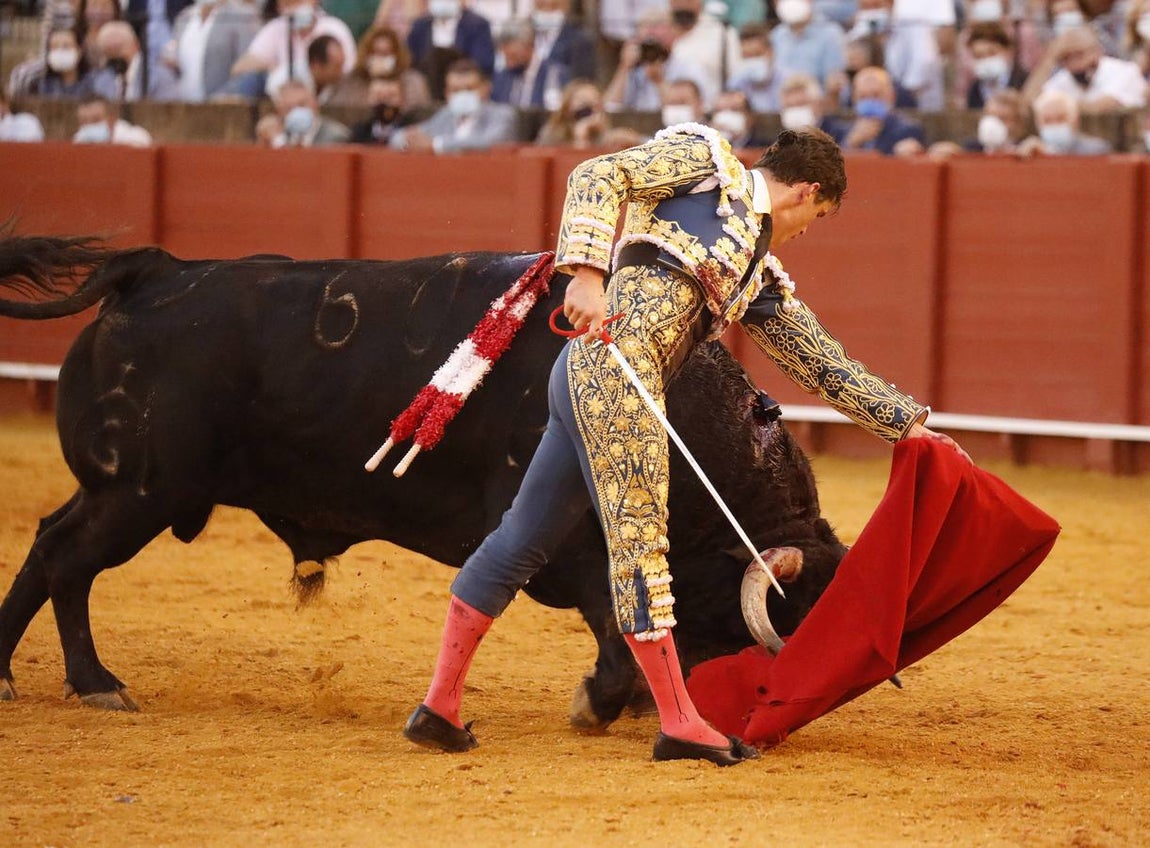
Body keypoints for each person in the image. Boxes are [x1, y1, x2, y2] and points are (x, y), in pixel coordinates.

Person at [402, 124, 966, 765]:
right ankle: (679, 723)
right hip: (619, 375)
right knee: (641, 546)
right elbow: (597, 174)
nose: (807, 231)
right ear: (807, 192)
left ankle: (439, 707)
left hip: (594, 375)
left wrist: (907, 424)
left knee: (522, 538)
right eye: (817, 217)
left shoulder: (755, 272)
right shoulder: (706, 163)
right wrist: (586, 274)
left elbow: (819, 362)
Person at [228, 0, 357, 99]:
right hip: (281, 100)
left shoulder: (335, 28)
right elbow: (239, 68)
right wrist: (278, 71)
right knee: (252, 80)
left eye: (298, 1)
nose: (294, 6)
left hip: (329, 99)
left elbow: (349, 74)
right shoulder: (276, 27)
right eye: (287, 3)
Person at [389, 57, 515, 152]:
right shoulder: (446, 115)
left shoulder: (503, 114)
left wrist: (435, 145)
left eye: (469, 89)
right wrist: (408, 141)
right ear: (447, 94)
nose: (463, 95)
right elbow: (398, 138)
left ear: (485, 89)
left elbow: (491, 142)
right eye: (456, 90)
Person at [1022, 24, 1147, 111]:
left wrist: (1059, 107)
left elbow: (1102, 107)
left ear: (1097, 51)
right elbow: (1028, 103)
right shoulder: (1064, 78)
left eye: (1079, 54)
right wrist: (1050, 58)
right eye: (1066, 57)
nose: (1075, 62)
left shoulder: (1125, 71)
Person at [166, 0, 260, 102]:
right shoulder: (184, 16)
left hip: (222, 105)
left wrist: (223, 97)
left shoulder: (242, 16)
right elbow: (174, 59)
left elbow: (247, 69)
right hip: (182, 104)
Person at [406, 0, 495, 100]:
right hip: (428, 90)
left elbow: (483, 62)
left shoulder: (477, 25)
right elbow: (412, 60)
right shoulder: (420, 25)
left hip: (463, 88)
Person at [833, 64, 926, 154]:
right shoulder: (841, 131)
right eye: (863, 97)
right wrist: (850, 143)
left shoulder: (908, 130)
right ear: (854, 99)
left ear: (892, 96)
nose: (869, 101)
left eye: (876, 95)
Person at [666, 0, 742, 107]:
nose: (683, 3)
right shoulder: (659, 32)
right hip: (671, 110)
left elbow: (736, 79)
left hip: (713, 109)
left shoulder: (722, 32)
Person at [769, 0, 847, 92]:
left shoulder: (830, 34)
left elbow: (837, 83)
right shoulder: (777, 34)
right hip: (780, 97)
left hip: (816, 97)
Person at [95, 20, 181, 100]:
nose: (114, 55)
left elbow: (168, 108)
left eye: (118, 48)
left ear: (135, 45)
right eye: (108, 51)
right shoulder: (102, 81)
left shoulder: (160, 77)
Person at [1016, 86, 1113, 154]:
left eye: (1060, 118)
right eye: (1047, 120)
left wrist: (1049, 153)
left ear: (1075, 120)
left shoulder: (1097, 149)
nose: (1054, 124)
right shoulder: (1030, 149)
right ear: (1038, 124)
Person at [354, 23, 431, 107]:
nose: (380, 59)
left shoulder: (414, 81)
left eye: (385, 53)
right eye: (376, 53)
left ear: (397, 54)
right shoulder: (355, 81)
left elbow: (420, 109)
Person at [30, 25, 117, 99]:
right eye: (54, 47)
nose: (60, 51)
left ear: (79, 50)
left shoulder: (99, 79)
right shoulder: (42, 84)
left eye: (66, 46)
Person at [962, 21, 1030, 109]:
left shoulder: (1026, 82)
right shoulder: (974, 90)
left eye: (991, 53)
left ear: (1008, 51)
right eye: (979, 56)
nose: (986, 61)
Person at [271, 78, 352, 146]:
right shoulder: (276, 135)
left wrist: (279, 143)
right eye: (289, 108)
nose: (296, 112)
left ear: (315, 104)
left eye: (301, 105)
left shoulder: (336, 137)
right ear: (279, 112)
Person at [726, 22, 782, 112]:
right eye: (747, 56)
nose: (752, 61)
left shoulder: (787, 81)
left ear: (771, 52)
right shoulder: (736, 82)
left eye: (757, 55)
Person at [349, 75, 417, 143]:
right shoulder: (360, 132)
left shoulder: (413, 131)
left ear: (403, 100)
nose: (384, 103)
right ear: (368, 99)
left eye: (390, 97)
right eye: (378, 97)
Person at [308, 33, 369, 105]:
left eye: (342, 65)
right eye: (336, 67)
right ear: (316, 66)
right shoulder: (300, 87)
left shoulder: (345, 87)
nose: (341, 72)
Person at [72, 94, 153, 145]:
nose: (89, 125)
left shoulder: (134, 136)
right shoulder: (79, 139)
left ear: (111, 119)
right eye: (84, 121)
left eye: (96, 120)